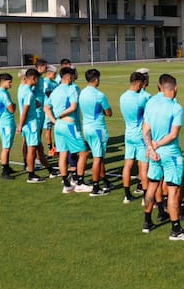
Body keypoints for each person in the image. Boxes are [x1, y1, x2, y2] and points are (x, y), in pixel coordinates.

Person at [142, 74, 184, 240]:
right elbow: (173, 134)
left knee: (152, 186)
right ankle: (175, 229)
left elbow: (145, 130)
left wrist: (150, 148)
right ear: (175, 88)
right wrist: (156, 146)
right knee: (173, 191)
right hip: (170, 154)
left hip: (154, 154)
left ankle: (147, 222)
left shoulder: (151, 103)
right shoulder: (175, 107)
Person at [44, 66, 91, 193]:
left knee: (63, 154)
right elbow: (73, 106)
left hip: (58, 126)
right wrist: (61, 115)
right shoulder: (72, 88)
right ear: (69, 77)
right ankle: (80, 182)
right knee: (84, 152)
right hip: (69, 125)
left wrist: (55, 120)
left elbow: (46, 108)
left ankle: (66, 184)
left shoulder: (56, 90)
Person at [79, 68, 113, 196]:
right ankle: (95, 186)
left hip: (86, 128)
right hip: (98, 128)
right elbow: (108, 112)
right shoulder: (99, 95)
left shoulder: (82, 93)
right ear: (96, 79)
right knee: (98, 158)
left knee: (98, 155)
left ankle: (105, 180)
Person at [119, 71, 149, 203]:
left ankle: (127, 195)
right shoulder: (142, 98)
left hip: (128, 134)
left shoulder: (122, 97)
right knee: (143, 167)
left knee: (128, 165)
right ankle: (146, 198)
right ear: (137, 83)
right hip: (140, 136)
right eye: (141, 85)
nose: (142, 87)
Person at [17, 68, 50, 183]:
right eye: (37, 80)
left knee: (38, 148)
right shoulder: (29, 93)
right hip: (31, 125)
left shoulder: (21, 89)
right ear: (33, 79)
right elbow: (25, 110)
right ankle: (31, 175)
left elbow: (26, 106)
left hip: (28, 125)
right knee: (32, 150)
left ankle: (50, 169)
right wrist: (20, 125)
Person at [0, 73, 17, 180]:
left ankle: (7, 167)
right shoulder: (3, 94)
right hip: (6, 123)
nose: (11, 84)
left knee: (7, 146)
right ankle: (4, 171)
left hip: (7, 121)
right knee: (6, 147)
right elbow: (12, 109)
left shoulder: (3, 92)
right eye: (9, 82)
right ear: (3, 81)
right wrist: (14, 106)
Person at [42, 65, 59, 156]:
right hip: (48, 110)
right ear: (49, 73)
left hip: (56, 110)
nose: (56, 75)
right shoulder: (45, 83)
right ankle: (50, 148)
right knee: (48, 129)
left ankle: (56, 148)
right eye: (54, 73)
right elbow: (48, 94)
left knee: (57, 128)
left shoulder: (55, 83)